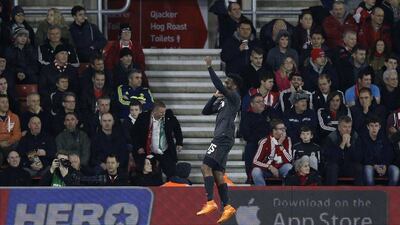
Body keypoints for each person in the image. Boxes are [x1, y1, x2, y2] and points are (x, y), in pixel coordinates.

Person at [196, 56, 240, 223]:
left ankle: (210, 202)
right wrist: (214, 97)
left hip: (222, 137)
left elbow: (219, 85)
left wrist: (209, 67)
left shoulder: (234, 97)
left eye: (228, 81)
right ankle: (227, 206)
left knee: (205, 166)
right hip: (224, 138)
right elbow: (205, 111)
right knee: (217, 173)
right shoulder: (223, 101)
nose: (225, 83)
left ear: (233, 86)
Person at [133, 100, 183, 178]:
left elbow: (177, 129)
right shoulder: (143, 117)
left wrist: (179, 142)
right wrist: (138, 147)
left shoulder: (169, 117)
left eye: (164, 112)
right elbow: (134, 133)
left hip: (164, 151)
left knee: (172, 173)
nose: (163, 114)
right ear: (154, 111)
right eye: (161, 112)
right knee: (149, 174)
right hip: (148, 151)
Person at [240, 94, 273, 182]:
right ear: (252, 104)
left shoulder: (269, 112)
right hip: (255, 144)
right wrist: (259, 140)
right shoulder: (247, 116)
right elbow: (246, 134)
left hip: (270, 143)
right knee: (249, 147)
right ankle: (250, 176)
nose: (262, 104)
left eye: (263, 101)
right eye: (258, 102)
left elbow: (276, 127)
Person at [323, 115, 363, 185]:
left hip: (348, 166)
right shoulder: (331, 138)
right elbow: (331, 159)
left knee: (358, 167)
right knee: (333, 167)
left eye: (349, 127)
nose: (347, 130)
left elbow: (358, 158)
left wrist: (349, 145)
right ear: (339, 128)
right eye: (345, 127)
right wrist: (342, 144)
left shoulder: (355, 137)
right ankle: (331, 193)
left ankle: (359, 194)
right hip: (336, 166)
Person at [360, 116, 399, 185]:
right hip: (371, 166)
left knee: (395, 170)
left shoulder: (385, 139)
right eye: (371, 126)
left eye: (376, 126)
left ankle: (390, 192)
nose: (374, 128)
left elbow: (390, 155)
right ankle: (371, 194)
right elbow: (363, 157)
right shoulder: (363, 140)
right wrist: (374, 166)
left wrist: (385, 165)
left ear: (379, 127)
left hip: (384, 166)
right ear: (368, 127)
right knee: (368, 169)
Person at [252, 119, 293, 186]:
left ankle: (286, 193)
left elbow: (289, 159)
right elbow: (255, 161)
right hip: (266, 169)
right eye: (281, 129)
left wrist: (280, 145)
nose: (284, 131)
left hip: (281, 168)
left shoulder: (287, 140)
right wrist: (269, 167)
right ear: (274, 131)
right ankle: (262, 193)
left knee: (289, 168)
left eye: (284, 129)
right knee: (255, 172)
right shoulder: (265, 141)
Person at [0, 94, 21, 166]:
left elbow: (17, 134)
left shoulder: (14, 117)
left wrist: (8, 142)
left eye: (7, 102)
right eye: (3, 102)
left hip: (11, 144)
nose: (5, 104)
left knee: (19, 144)